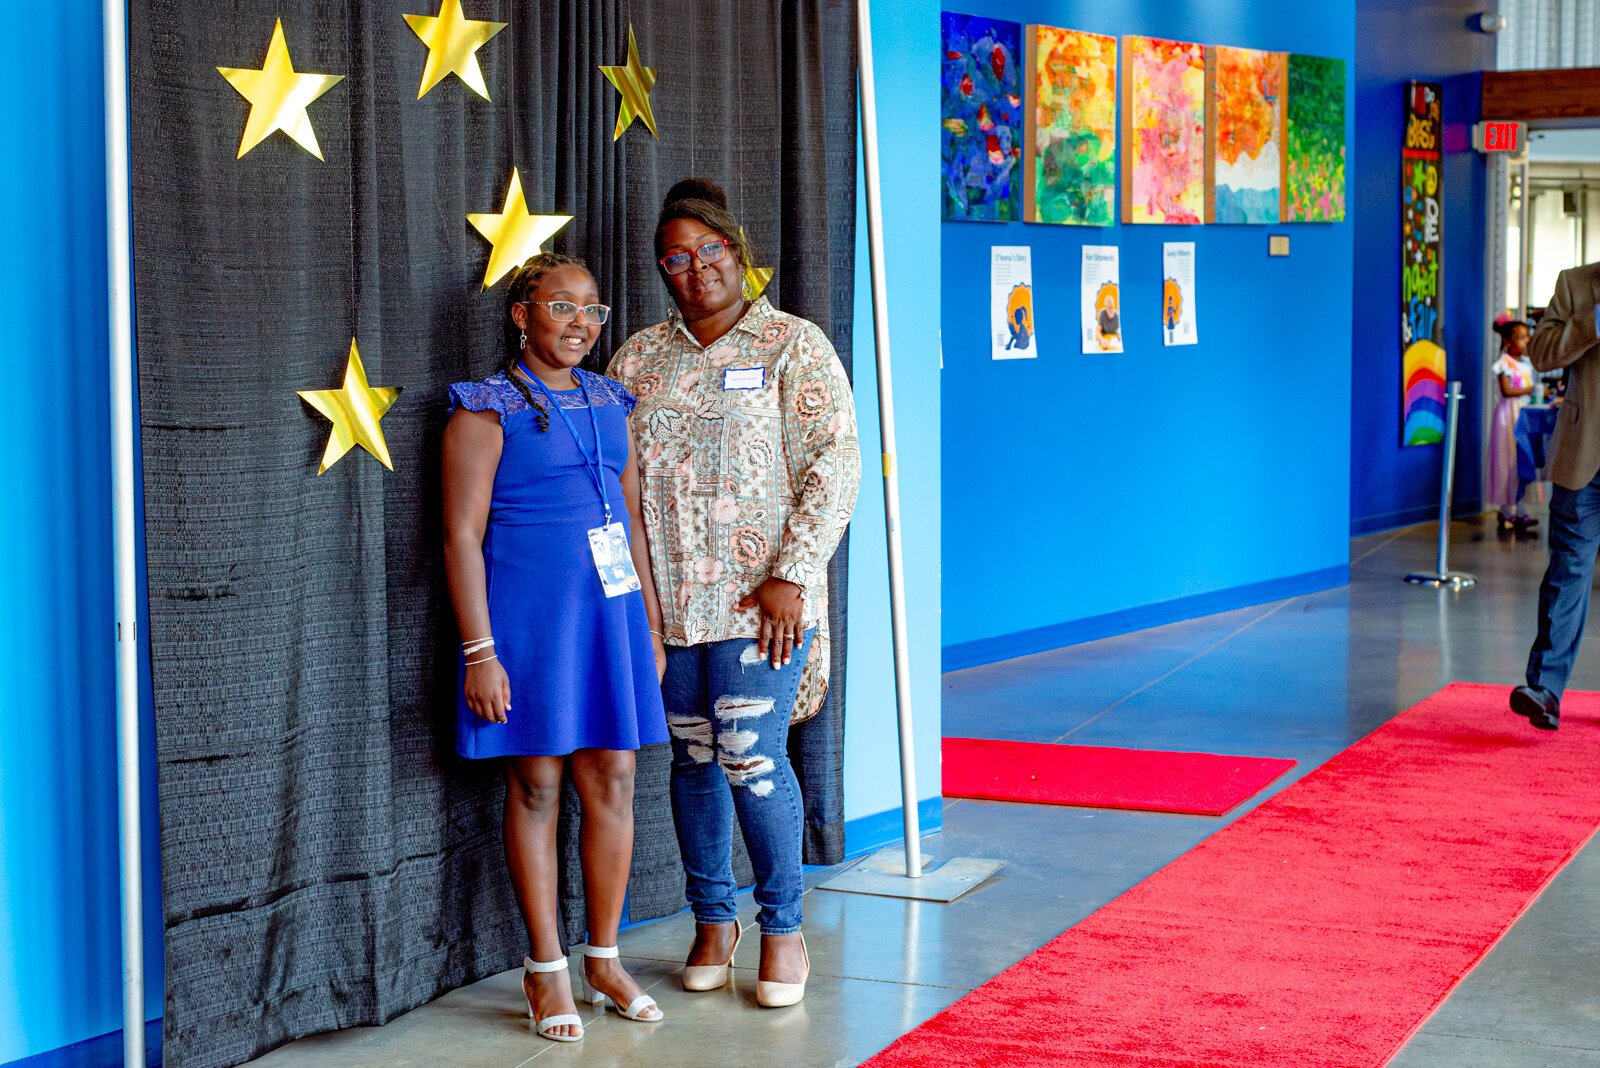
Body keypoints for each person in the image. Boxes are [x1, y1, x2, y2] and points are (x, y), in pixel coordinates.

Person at [609, 178, 860, 1008]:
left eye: (708, 251)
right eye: (674, 258)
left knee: (752, 758)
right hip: (670, 605)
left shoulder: (792, 344)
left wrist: (795, 572)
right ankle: (713, 921)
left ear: (737, 251)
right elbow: (615, 479)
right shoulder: (640, 358)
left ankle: (782, 927)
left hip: (763, 603)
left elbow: (836, 462)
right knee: (692, 760)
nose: (694, 269)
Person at [442, 252, 668, 1041]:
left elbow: (632, 522)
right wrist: (480, 653)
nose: (579, 323)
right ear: (522, 313)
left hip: (610, 621)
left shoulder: (613, 401)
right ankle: (546, 971)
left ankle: (604, 957)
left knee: (614, 774)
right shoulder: (485, 407)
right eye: (561, 306)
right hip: (529, 628)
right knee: (537, 784)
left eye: (592, 310)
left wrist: (650, 626)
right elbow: (460, 538)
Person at [1511, 259, 1600, 731]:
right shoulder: (1575, 284)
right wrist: (1593, 321)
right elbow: (1542, 353)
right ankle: (1544, 690)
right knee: (1566, 572)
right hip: (1584, 460)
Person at [1487, 320, 1539, 531]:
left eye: (1527, 336)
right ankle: (1508, 510)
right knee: (1507, 460)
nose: (1525, 341)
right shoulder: (1503, 363)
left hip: (1523, 415)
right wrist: (1530, 391)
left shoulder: (1526, 364)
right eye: (1520, 337)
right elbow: (1507, 391)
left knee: (1522, 461)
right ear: (1508, 341)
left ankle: (1521, 507)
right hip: (1509, 416)